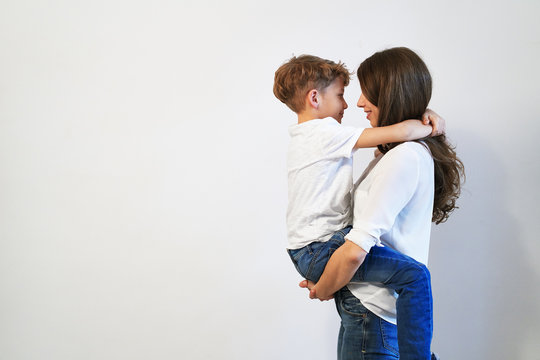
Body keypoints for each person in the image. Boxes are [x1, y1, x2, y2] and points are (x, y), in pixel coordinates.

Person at [273, 54, 446, 360]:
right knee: (416, 277)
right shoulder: (325, 135)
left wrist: (325, 286)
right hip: (344, 281)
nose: (353, 104)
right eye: (341, 95)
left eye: (366, 93)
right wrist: (429, 124)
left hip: (366, 308)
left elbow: (354, 249)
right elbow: (403, 131)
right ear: (315, 97)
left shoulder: (401, 156)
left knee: (415, 276)